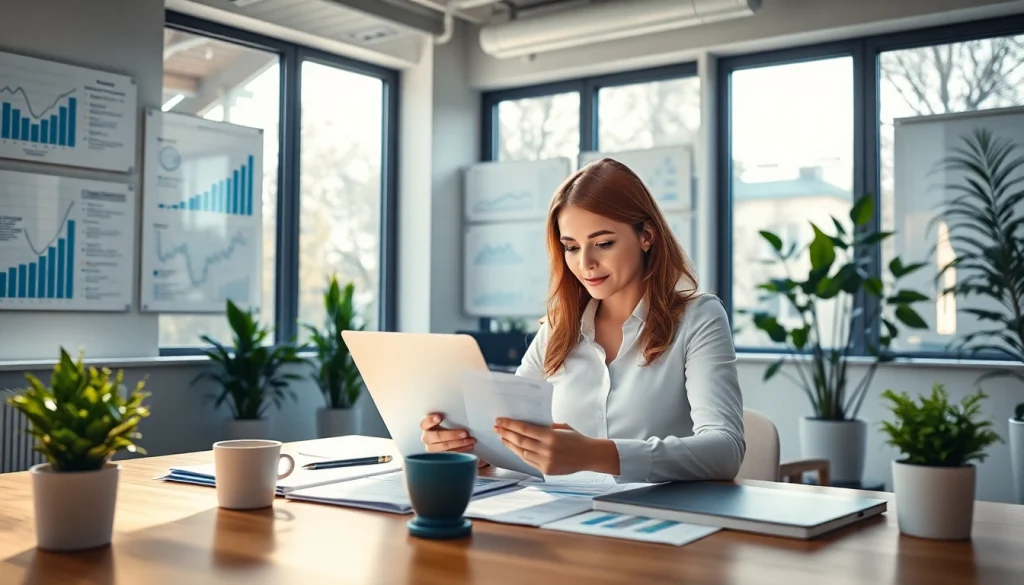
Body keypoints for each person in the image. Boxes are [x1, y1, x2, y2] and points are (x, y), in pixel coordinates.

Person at [419, 158, 746, 483]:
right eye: (571, 247)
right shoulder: (558, 328)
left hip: (657, 522)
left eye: (603, 244)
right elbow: (511, 434)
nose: (585, 262)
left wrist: (595, 454)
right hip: (560, 520)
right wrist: (472, 450)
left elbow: (725, 449)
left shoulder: (698, 318)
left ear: (646, 235)